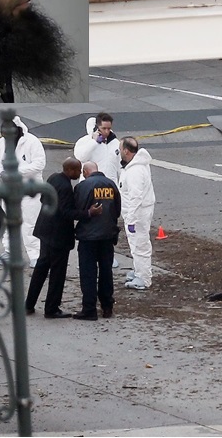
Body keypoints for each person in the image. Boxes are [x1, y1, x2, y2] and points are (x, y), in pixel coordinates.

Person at [26, 157, 100, 319]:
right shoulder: (66, 187)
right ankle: (51, 308)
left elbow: (44, 198)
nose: (80, 173)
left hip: (44, 230)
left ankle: (29, 304)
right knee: (57, 273)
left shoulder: (53, 178)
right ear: (70, 170)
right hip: (58, 235)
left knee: (41, 268)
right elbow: (66, 212)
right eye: (78, 170)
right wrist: (88, 213)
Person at [0, 116, 45, 267]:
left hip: (29, 190)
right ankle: (10, 252)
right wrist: (1, 173)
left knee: (30, 222)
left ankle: (35, 254)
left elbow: (39, 164)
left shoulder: (32, 142)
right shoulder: (1, 144)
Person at [73, 162, 121, 321]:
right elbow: (117, 209)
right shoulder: (111, 184)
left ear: (86, 172)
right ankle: (107, 306)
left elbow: (77, 210)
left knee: (88, 273)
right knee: (106, 271)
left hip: (88, 236)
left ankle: (89, 309)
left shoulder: (82, 186)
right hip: (107, 235)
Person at [74, 111, 122, 268]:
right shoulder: (85, 141)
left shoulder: (115, 143)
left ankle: (108, 255)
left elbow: (119, 166)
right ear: (97, 127)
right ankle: (88, 255)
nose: (106, 132)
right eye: (103, 128)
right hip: (90, 189)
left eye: (109, 128)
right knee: (90, 221)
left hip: (109, 187)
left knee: (109, 222)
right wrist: (94, 142)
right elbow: (80, 156)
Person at [118, 137, 156, 291]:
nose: (119, 152)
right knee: (136, 243)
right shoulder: (135, 166)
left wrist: (131, 219)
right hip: (138, 211)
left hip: (138, 213)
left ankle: (144, 277)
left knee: (139, 244)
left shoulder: (135, 171)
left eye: (120, 149)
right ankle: (139, 270)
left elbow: (136, 197)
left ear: (126, 151)